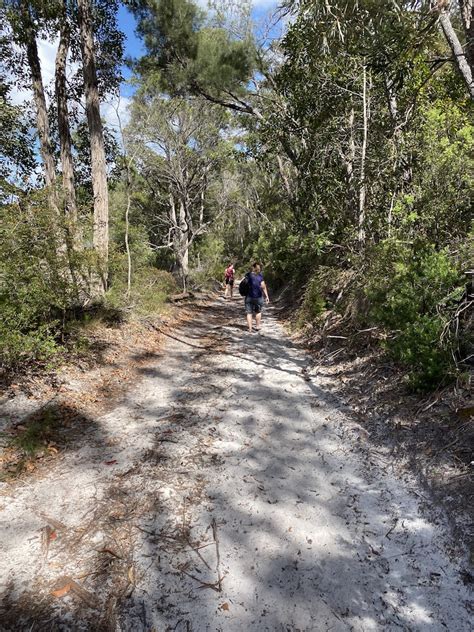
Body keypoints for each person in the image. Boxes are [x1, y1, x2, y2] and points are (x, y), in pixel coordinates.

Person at [245, 262, 270, 332]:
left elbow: (244, 284)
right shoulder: (260, 276)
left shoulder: (248, 275)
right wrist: (267, 296)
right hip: (258, 297)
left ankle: (250, 328)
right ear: (258, 268)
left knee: (249, 313)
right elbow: (263, 286)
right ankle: (257, 326)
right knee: (258, 311)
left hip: (249, 296)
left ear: (253, 267)